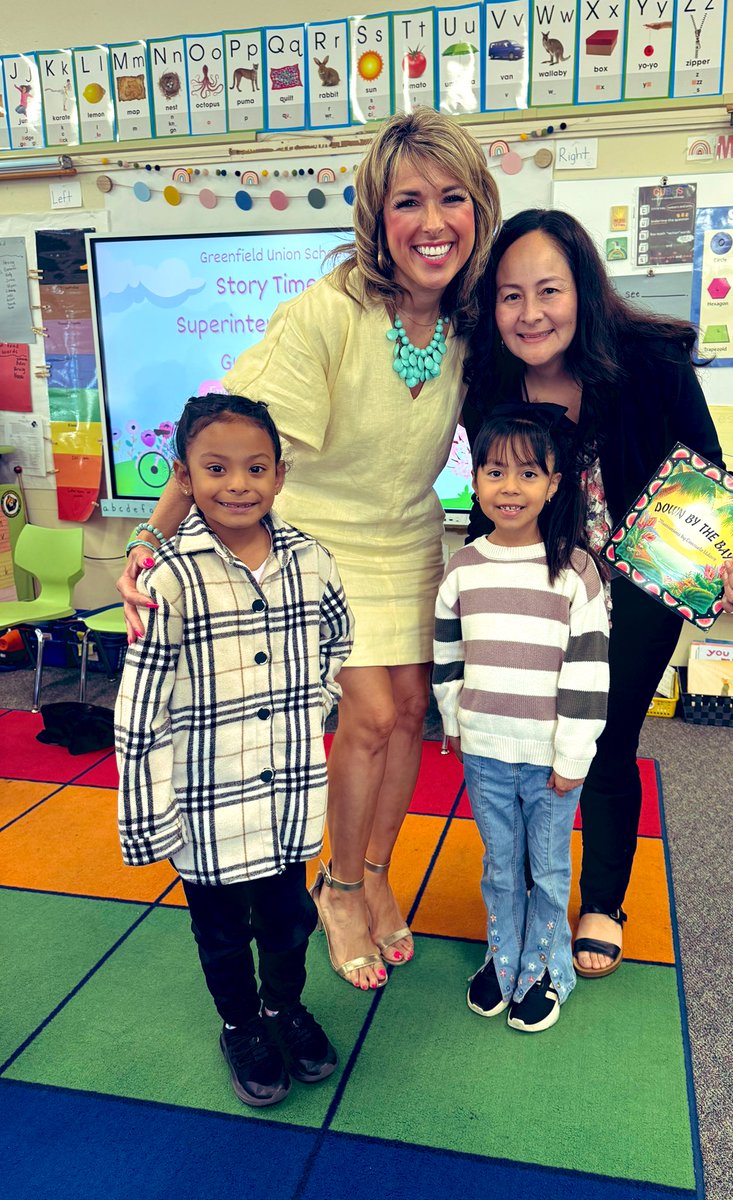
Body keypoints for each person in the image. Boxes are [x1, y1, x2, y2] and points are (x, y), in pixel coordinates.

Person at [116, 109, 502, 991]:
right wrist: (151, 536)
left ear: (478, 209)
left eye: (452, 198)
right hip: (318, 543)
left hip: (409, 534)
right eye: (409, 201)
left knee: (412, 712)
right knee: (366, 716)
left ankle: (374, 871)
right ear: (376, 216)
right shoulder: (326, 313)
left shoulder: (467, 324)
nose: (432, 223)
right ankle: (333, 886)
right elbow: (223, 435)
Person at [463, 210, 733, 979]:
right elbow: (490, 489)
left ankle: (602, 899)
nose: (529, 313)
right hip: (533, 583)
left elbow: (713, 489)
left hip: (636, 589)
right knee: (527, 742)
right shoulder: (489, 378)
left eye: (548, 290)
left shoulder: (651, 362)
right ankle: (530, 886)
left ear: (583, 291)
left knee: (603, 738)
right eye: (509, 296)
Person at [115, 394, 353, 1108]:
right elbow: (140, 706)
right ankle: (241, 1024)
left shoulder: (312, 560)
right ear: (185, 477)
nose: (238, 483)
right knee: (220, 935)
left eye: (255, 467)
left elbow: (338, 639)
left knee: (289, 923)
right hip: (207, 808)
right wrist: (147, 817)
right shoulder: (171, 579)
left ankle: (284, 1008)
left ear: (280, 475)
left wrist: (314, 701)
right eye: (216, 468)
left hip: (284, 802)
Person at [433, 408, 609, 1032]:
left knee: (551, 868)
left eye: (528, 473)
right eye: (495, 471)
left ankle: (547, 968)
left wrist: (572, 756)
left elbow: (589, 672)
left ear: (554, 483)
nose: (510, 487)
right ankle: (501, 958)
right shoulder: (462, 567)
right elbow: (448, 655)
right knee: (500, 865)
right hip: (484, 751)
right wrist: (453, 721)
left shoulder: (574, 571)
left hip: (551, 758)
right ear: (475, 480)